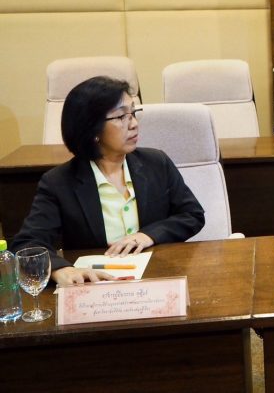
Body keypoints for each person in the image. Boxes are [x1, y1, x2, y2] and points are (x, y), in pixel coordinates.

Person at [11, 76, 205, 285]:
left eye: (133, 113)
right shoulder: (58, 183)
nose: (134, 124)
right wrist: (61, 269)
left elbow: (191, 215)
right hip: (96, 286)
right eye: (121, 116)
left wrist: (149, 235)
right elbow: (26, 245)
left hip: (157, 278)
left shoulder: (156, 163)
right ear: (92, 129)